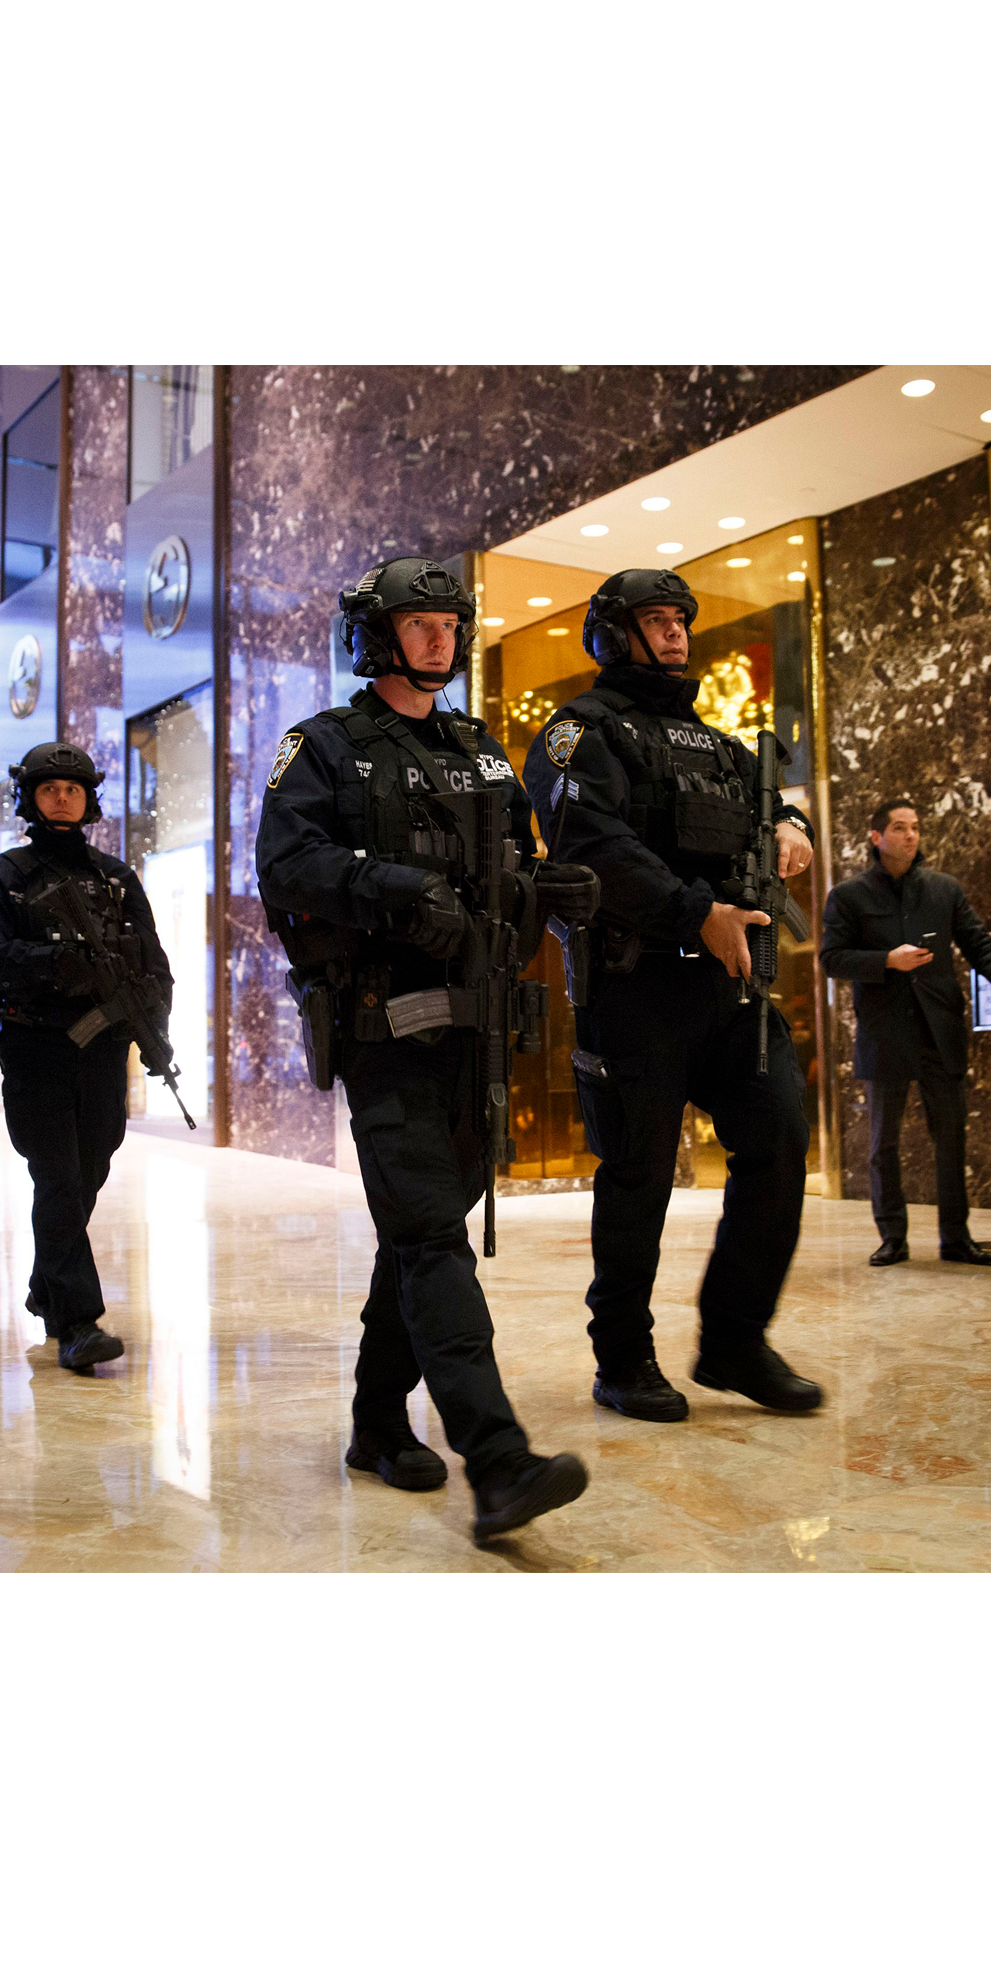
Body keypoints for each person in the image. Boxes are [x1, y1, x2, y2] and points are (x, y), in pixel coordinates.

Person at [257, 556, 602, 1544]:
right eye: (417, 622)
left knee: (418, 1238)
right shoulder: (320, 747)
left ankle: (373, 1424)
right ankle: (497, 1463)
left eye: (449, 622)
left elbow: (510, 874)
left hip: (475, 1029)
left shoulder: (478, 750)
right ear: (374, 636)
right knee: (431, 1240)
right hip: (381, 1029)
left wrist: (552, 892)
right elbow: (283, 866)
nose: (438, 638)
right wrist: (392, 890)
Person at [521, 567, 821, 1422]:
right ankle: (623, 1360)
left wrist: (795, 830)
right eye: (656, 621)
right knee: (639, 1176)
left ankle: (734, 1343)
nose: (677, 634)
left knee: (780, 1135)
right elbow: (594, 847)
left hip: (728, 992)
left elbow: (770, 819)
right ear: (615, 634)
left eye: (680, 620)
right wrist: (697, 914)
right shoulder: (579, 733)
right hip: (633, 987)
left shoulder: (722, 747)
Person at [0, 742, 174, 1372]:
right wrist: (57, 965)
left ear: (89, 800)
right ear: (30, 798)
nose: (61, 799)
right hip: (36, 1047)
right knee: (57, 1175)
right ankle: (78, 1322)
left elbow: (153, 962)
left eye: (72, 790)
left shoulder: (116, 878)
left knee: (93, 1164)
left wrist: (154, 1025)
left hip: (104, 1048)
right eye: (49, 789)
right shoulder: (5, 879)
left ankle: (48, 1280)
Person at [819, 800, 991, 1266]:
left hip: (940, 1029)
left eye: (915, 828)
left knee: (950, 1137)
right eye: (899, 827)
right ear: (877, 837)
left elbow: (978, 943)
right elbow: (832, 959)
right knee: (883, 1143)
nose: (910, 835)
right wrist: (886, 961)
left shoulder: (943, 889)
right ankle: (892, 1237)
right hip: (885, 1031)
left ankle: (956, 1237)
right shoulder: (850, 896)